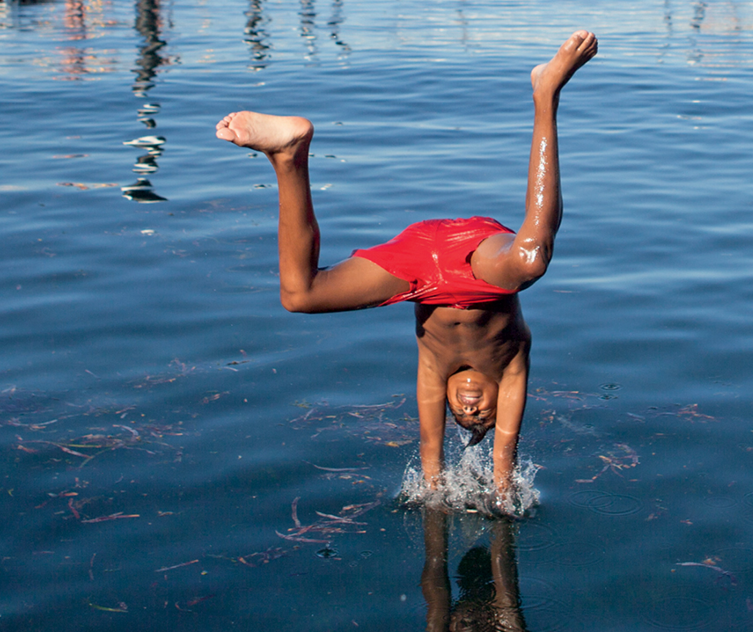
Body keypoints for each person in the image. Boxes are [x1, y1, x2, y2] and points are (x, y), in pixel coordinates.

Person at [215, 31, 599, 506]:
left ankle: (289, 155)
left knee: (299, 296)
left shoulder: (433, 371)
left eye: (464, 419)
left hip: (417, 272)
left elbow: (429, 449)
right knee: (531, 259)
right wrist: (504, 499)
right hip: (480, 263)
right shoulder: (513, 364)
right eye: (483, 417)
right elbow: (506, 455)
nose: (472, 412)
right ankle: (546, 93)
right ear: (500, 401)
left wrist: (434, 508)